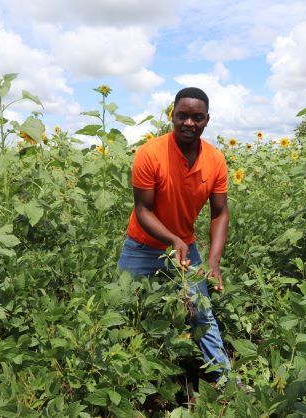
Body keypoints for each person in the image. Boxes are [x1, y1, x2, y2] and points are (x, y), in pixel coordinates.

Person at [118, 87, 232, 385]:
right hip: (141, 246)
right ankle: (124, 380)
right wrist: (174, 240)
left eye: (197, 117)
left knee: (200, 314)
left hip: (186, 249)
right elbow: (143, 210)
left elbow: (220, 213)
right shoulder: (150, 153)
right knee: (124, 308)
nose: (189, 123)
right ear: (172, 115)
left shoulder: (216, 160)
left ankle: (225, 383)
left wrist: (213, 262)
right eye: (182, 116)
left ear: (207, 120)